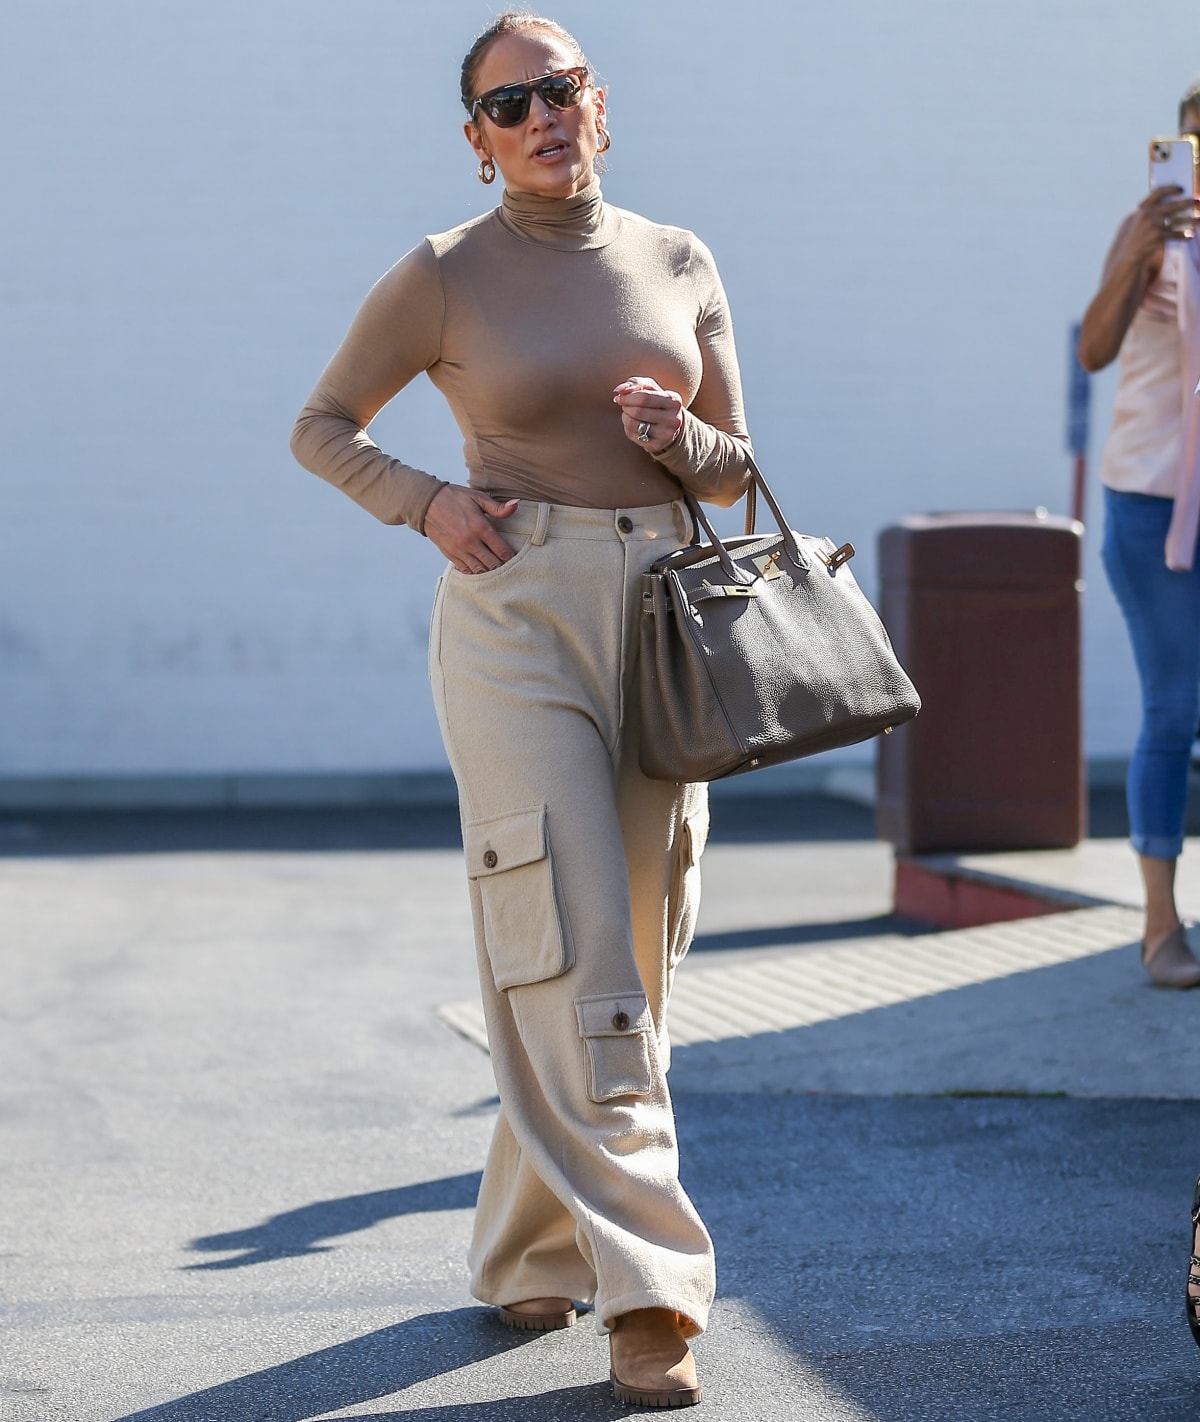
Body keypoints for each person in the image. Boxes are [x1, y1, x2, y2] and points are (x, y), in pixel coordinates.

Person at [290, 12, 752, 1409]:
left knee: (637, 949)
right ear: (479, 140)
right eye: (510, 103)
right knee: (569, 931)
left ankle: (520, 1248)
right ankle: (651, 1292)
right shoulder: (442, 275)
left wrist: (683, 439)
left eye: (561, 90)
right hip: (518, 617)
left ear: (600, 106)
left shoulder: (680, 259)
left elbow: (738, 471)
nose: (541, 114)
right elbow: (323, 424)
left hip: (667, 615)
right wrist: (425, 501)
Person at [1079, 78, 1200, 991]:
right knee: (1172, 708)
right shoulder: (1149, 237)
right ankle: (1161, 927)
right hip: (1152, 504)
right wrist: (1137, 253)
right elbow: (1093, 349)